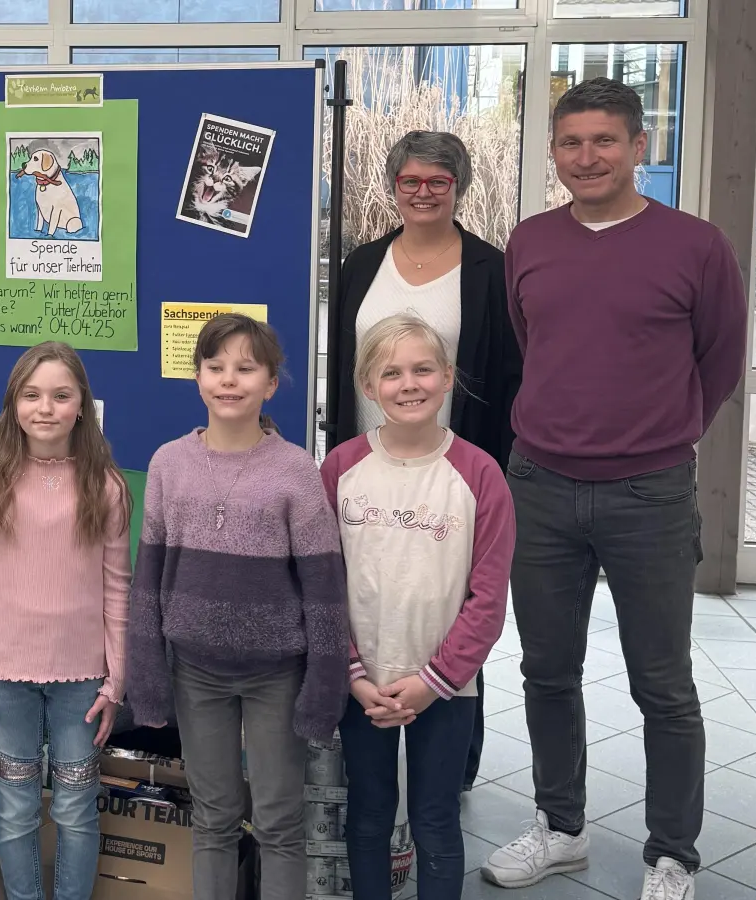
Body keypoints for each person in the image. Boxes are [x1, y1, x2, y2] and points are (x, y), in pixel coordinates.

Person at [482, 77, 748, 900]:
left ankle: (672, 854)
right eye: (571, 142)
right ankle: (561, 829)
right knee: (545, 672)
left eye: (605, 140)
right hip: (542, 486)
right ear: (554, 153)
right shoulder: (529, 240)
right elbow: (535, 345)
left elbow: (720, 361)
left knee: (661, 683)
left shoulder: (696, 245)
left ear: (640, 147)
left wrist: (659, 438)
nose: (586, 157)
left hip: (651, 495)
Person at [128, 313, 348, 900]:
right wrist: (145, 676)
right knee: (213, 816)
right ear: (197, 377)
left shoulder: (296, 470)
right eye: (216, 366)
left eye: (246, 368)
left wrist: (326, 687)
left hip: (278, 674)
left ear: (271, 383)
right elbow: (147, 580)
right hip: (195, 673)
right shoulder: (168, 464)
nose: (229, 379)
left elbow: (325, 589)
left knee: (279, 821)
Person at [333, 130, 522, 794]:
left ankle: (452, 763)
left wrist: (491, 476)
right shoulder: (361, 264)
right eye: (410, 181)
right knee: (371, 603)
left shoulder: (491, 270)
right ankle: (369, 725)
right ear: (394, 187)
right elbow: (344, 362)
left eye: (437, 182)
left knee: (453, 606)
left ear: (458, 187)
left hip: (454, 474)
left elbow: (505, 378)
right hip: (371, 465)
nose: (422, 193)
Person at [321, 314, 513, 900]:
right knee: (370, 812)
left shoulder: (480, 475)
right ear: (366, 384)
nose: (409, 383)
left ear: (448, 376)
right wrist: (351, 672)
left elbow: (488, 599)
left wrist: (436, 680)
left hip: (446, 689)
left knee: (435, 819)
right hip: (362, 687)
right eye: (391, 372)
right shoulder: (339, 470)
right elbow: (321, 587)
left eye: (423, 369)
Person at [0, 341, 132, 900]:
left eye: (61, 395)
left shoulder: (104, 486)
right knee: (15, 810)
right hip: (5, 675)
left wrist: (116, 677)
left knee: (78, 810)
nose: (46, 408)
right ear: (13, 404)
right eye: (31, 395)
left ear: (82, 404)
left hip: (81, 679)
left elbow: (116, 588)